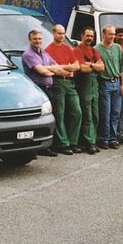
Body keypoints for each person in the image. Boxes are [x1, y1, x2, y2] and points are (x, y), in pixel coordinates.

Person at [22, 29, 64, 156]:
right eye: (35, 39)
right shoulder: (28, 54)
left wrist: (51, 69)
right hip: (37, 90)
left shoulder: (44, 53)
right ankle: (33, 149)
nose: (38, 41)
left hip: (48, 89)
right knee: (37, 120)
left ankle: (45, 147)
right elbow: (43, 72)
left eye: (39, 39)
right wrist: (52, 70)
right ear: (30, 40)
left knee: (49, 119)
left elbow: (57, 67)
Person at [44, 25, 83, 155]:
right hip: (57, 83)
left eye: (63, 33)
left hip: (70, 84)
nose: (61, 36)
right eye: (59, 33)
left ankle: (73, 141)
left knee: (77, 112)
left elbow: (76, 66)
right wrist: (67, 69)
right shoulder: (48, 50)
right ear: (53, 33)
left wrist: (63, 68)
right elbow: (53, 69)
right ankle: (63, 143)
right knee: (59, 114)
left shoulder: (67, 48)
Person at [95, 25, 123, 150]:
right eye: (110, 34)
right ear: (104, 34)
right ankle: (104, 138)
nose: (113, 36)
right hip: (105, 83)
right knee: (105, 113)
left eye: (114, 34)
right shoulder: (97, 49)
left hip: (117, 82)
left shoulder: (118, 48)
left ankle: (113, 138)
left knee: (116, 113)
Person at [74, 27, 104, 154]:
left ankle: (92, 140)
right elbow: (82, 69)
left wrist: (90, 64)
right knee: (87, 116)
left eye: (91, 36)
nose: (89, 38)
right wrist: (94, 66)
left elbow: (102, 67)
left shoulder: (94, 50)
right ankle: (89, 143)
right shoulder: (77, 50)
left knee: (95, 115)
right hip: (84, 86)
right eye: (87, 36)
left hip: (94, 87)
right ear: (82, 36)